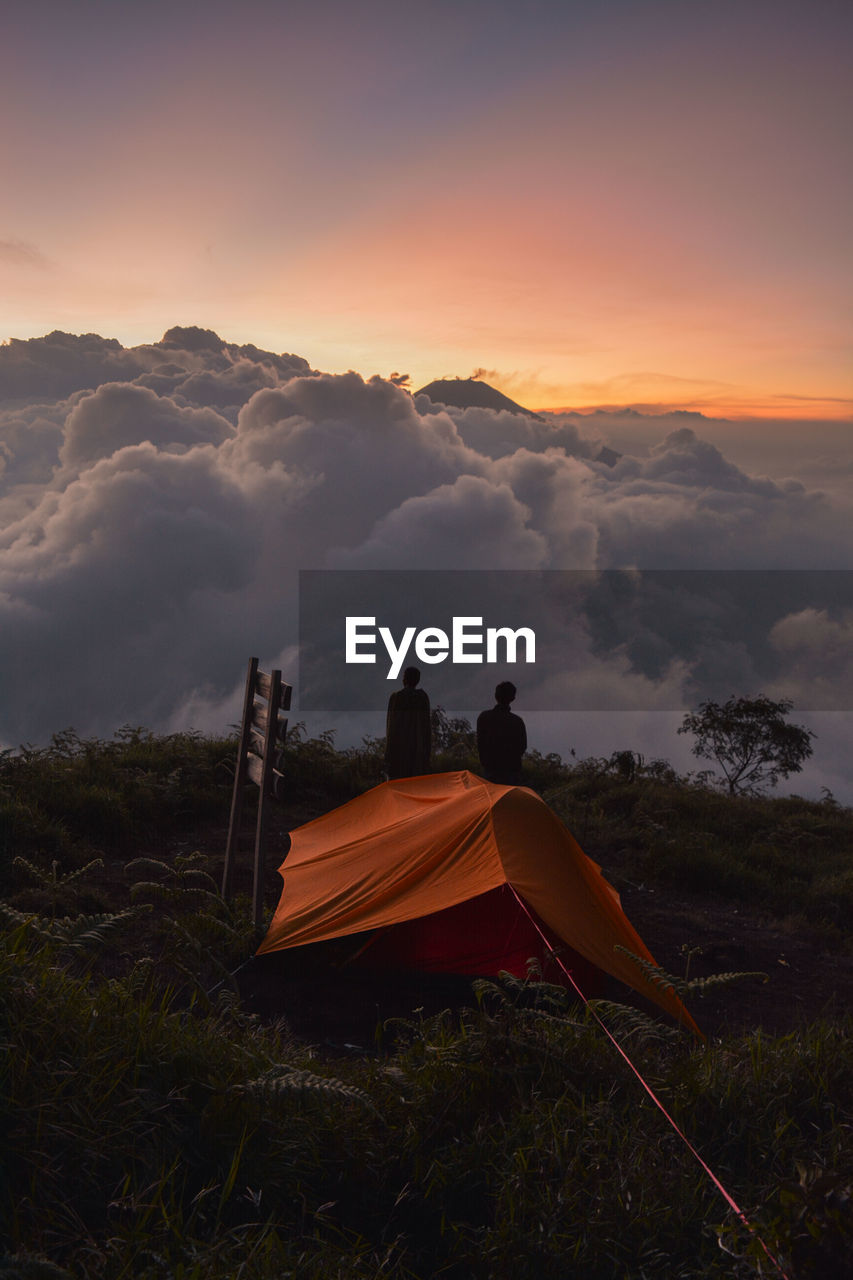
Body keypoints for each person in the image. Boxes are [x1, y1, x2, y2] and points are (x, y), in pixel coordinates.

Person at [385, 666, 431, 779]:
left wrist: (388, 755)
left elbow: (391, 727)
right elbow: (427, 728)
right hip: (418, 753)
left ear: (404, 679)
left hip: (399, 752)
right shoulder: (422, 698)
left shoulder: (397, 698)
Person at [477, 681, 527, 785]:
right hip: (511, 773)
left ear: (496, 696)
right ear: (513, 698)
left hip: (490, 770)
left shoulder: (484, 717)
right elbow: (522, 747)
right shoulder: (517, 721)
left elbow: (480, 743)